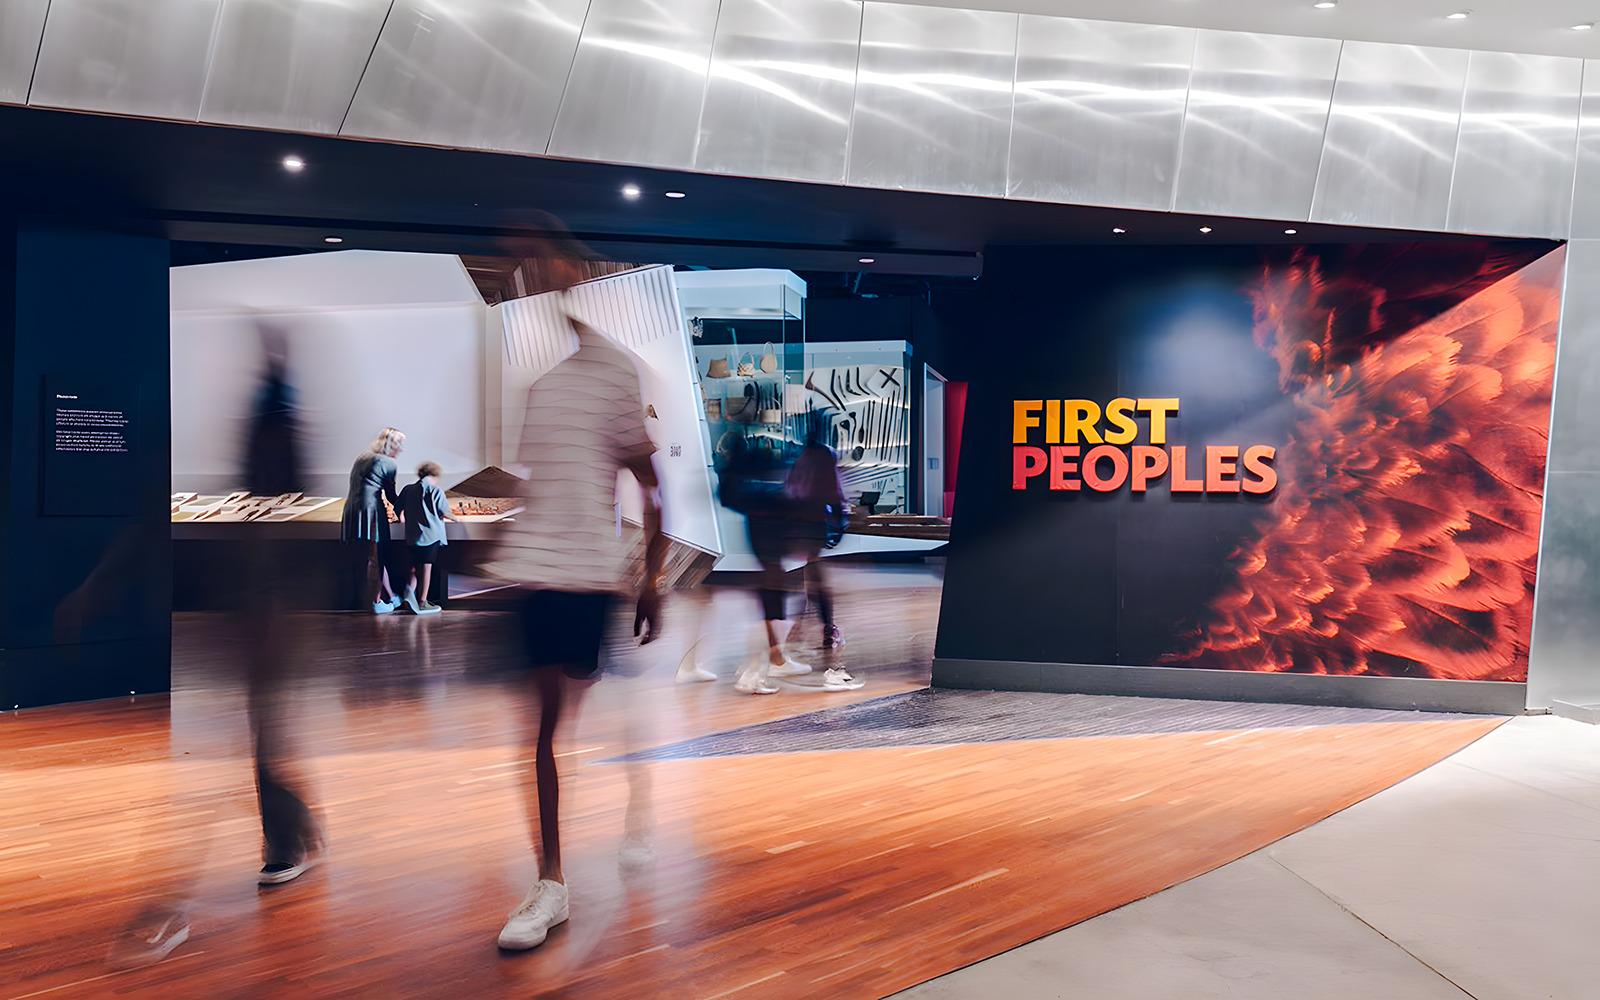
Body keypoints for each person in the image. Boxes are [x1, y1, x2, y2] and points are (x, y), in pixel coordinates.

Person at [481, 301, 665, 952]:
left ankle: (637, 807)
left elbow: (651, 485)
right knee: (546, 730)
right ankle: (551, 880)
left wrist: (649, 582)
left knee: (590, 712)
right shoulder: (543, 385)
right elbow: (544, 486)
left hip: (589, 577)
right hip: (539, 572)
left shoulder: (614, 370)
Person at [786, 442, 860, 687]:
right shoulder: (826, 468)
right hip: (816, 525)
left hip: (800, 524)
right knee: (815, 581)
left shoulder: (801, 465)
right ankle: (822, 631)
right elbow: (838, 503)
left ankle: (805, 633)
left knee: (811, 581)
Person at [342, 427, 404, 613]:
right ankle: (376, 602)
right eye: (400, 445)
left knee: (367, 556)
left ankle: (390, 596)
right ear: (392, 445)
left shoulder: (363, 456)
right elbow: (392, 496)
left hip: (353, 509)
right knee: (376, 558)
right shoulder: (388, 463)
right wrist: (405, 510)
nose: (402, 449)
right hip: (372, 511)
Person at [396, 460, 451, 615]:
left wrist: (402, 518)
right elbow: (444, 512)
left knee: (414, 568)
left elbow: (398, 507)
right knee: (426, 568)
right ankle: (422, 602)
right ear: (434, 475)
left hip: (412, 536)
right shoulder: (436, 490)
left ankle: (408, 596)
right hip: (431, 535)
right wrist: (457, 518)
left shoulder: (408, 489)